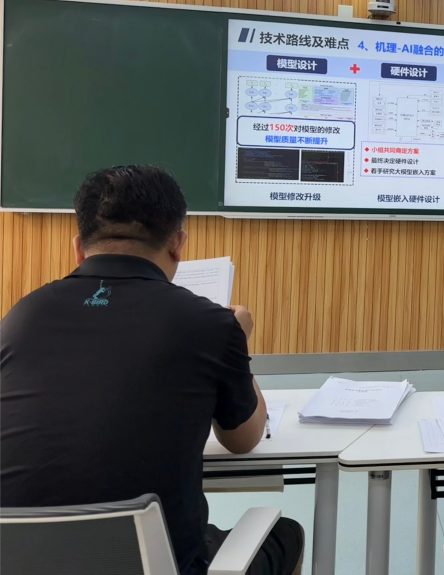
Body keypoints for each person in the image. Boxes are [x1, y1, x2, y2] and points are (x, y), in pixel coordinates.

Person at [0, 165, 304, 575]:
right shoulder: (210, 324)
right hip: (158, 562)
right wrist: (239, 341)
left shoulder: (21, 317)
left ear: (78, 248)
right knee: (286, 535)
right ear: (177, 244)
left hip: (24, 561)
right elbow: (243, 439)